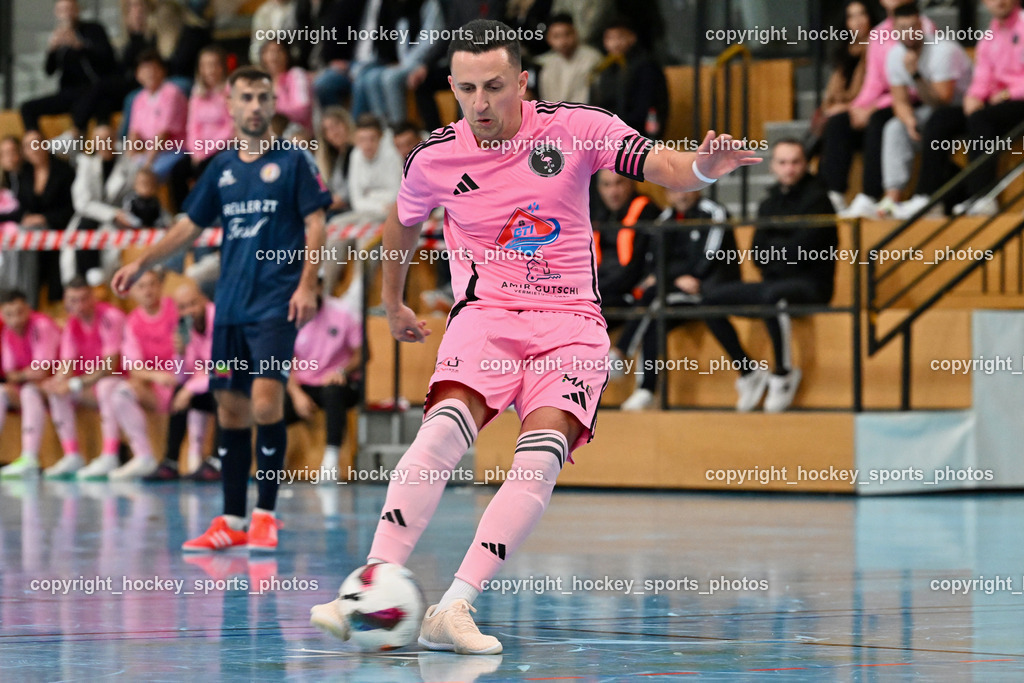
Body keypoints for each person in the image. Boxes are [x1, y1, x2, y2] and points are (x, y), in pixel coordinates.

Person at [308, 18, 759, 655]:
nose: (482, 103)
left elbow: (665, 166)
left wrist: (705, 167)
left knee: (539, 458)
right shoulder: (434, 156)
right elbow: (401, 224)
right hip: (485, 316)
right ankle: (371, 584)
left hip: (571, 326)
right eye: (467, 89)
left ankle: (455, 606)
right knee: (439, 433)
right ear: (453, 88)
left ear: (522, 80)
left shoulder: (577, 128)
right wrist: (391, 300)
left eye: (495, 86)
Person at [112, 66, 330, 551]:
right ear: (228, 106)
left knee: (266, 402)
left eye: (263, 97)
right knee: (230, 411)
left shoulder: (294, 161)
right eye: (246, 98)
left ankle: (266, 516)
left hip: (275, 304)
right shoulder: (222, 167)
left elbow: (316, 224)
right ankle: (231, 520)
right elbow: (188, 226)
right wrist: (143, 261)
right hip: (228, 309)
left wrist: (307, 284)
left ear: (274, 104)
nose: (255, 106)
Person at [702, 139, 837, 413]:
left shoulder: (819, 200)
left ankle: (783, 372)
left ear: (806, 164)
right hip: (773, 282)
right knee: (709, 299)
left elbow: (806, 249)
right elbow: (757, 253)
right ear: (773, 166)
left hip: (812, 285)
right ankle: (748, 370)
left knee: (773, 295)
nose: (789, 169)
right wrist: (782, 250)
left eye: (795, 162)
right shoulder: (768, 204)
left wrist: (777, 250)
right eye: (783, 162)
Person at [608, 189, 738, 411]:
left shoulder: (713, 212)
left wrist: (670, 276)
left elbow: (708, 257)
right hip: (674, 290)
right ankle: (646, 389)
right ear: (667, 193)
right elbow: (654, 263)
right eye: (674, 190)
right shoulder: (665, 220)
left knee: (653, 298)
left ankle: (620, 353)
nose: (681, 195)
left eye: (686, 187)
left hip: (707, 288)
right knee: (653, 319)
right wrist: (672, 277)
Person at [825, 0, 935, 217]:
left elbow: (917, 83)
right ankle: (834, 194)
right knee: (839, 121)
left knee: (878, 120)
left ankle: (870, 196)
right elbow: (873, 82)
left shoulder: (924, 26)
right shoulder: (877, 34)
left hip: (915, 99)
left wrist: (873, 107)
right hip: (885, 99)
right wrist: (856, 108)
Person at [918, 0, 1024, 216]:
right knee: (941, 118)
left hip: (1017, 101)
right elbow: (982, 78)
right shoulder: (988, 38)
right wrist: (973, 97)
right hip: (996, 104)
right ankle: (928, 197)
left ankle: (982, 196)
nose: (1000, 1)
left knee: (982, 119)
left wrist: (1006, 94)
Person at [75, 269, 178, 480]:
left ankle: (194, 460)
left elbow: (196, 353)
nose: (148, 290)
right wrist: (157, 376)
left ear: (160, 286)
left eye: (151, 284)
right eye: (141, 286)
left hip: (185, 380)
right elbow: (134, 368)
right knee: (118, 391)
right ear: (132, 293)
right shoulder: (133, 322)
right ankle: (139, 455)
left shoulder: (175, 310)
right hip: (157, 387)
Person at [878, 1, 972, 219]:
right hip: (932, 111)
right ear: (894, 31)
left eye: (913, 27)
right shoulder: (894, 55)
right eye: (902, 29)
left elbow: (941, 101)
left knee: (936, 120)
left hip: (963, 108)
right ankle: (892, 197)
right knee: (894, 126)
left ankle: (926, 196)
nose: (909, 34)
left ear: (922, 26)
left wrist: (916, 75)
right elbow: (899, 100)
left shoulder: (942, 50)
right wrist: (909, 120)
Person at [39, 277, 126, 479]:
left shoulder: (110, 316)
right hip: (91, 385)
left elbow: (110, 365)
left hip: (119, 381)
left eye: (84, 299)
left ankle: (110, 454)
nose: (79, 306)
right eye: (73, 300)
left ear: (93, 297)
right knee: (56, 391)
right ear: (66, 301)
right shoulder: (71, 324)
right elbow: (66, 365)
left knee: (106, 386)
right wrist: (57, 381)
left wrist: (75, 383)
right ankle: (72, 455)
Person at [284, 281, 363, 479]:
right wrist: (296, 395)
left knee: (333, 393)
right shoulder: (290, 316)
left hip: (336, 381)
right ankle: (273, 461)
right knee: (271, 404)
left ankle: (331, 460)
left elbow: (362, 354)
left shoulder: (343, 312)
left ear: (320, 287)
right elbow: (285, 362)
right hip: (303, 386)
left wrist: (342, 372)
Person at [145, 280, 220, 481]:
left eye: (193, 304)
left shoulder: (221, 321)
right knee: (179, 391)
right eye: (183, 307)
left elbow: (224, 369)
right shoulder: (188, 329)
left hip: (239, 381)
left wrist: (191, 389)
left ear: (205, 300)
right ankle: (171, 462)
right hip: (210, 384)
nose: (189, 311)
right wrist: (179, 354)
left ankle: (217, 461)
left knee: (221, 393)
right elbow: (182, 376)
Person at [19, 0, 118, 136]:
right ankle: (37, 148)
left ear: (77, 10)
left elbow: (107, 59)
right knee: (27, 108)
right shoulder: (58, 35)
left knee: (95, 106)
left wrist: (79, 45)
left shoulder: (93, 29)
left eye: (70, 9)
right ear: (56, 13)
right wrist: (52, 50)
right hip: (67, 92)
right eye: (62, 10)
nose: (66, 14)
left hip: (91, 90)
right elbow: (49, 71)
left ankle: (77, 138)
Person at [0, 290, 62, 478]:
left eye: (20, 312)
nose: (16, 319)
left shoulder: (41, 325)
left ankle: (30, 457)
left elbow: (42, 371)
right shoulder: (7, 334)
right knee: (1, 392)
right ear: (2, 315)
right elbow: (10, 374)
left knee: (29, 390)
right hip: (33, 387)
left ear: (28, 309)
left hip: (57, 388)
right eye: (9, 315)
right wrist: (24, 375)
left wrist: (21, 375)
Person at [806, 1, 875, 160]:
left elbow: (873, 90)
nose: (857, 21)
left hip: (864, 112)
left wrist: (846, 107)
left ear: (870, 17)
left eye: (861, 14)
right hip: (841, 113)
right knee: (828, 125)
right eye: (851, 16)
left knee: (835, 126)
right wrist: (830, 108)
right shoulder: (844, 52)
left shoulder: (877, 47)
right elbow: (832, 92)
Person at [590, 170, 660, 313]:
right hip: (600, 289)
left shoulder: (646, 211)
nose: (613, 192)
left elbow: (634, 271)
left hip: (627, 293)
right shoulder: (598, 215)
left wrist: (594, 290)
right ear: (598, 188)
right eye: (606, 185)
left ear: (631, 183)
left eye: (619, 183)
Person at [589, 17, 669, 139]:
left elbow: (643, 110)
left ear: (632, 38)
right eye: (609, 38)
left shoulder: (646, 66)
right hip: (611, 132)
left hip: (640, 135)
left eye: (620, 37)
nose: (615, 43)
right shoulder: (607, 67)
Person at [126, 51, 188, 183]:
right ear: (137, 75)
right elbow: (134, 132)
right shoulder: (139, 98)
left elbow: (163, 133)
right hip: (150, 153)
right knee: (126, 171)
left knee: (147, 177)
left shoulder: (171, 93)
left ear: (163, 71)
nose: (150, 73)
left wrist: (148, 164)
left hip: (174, 150)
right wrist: (129, 158)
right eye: (145, 70)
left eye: (154, 69)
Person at [536, 13, 602, 104]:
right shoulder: (546, 64)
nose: (563, 41)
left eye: (567, 34)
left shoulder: (592, 58)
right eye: (556, 36)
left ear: (576, 33)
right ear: (548, 39)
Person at [260, 41, 313, 132]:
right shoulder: (260, 82)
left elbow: (303, 109)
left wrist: (274, 110)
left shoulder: (297, 75)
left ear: (287, 55)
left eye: (279, 51)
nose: (274, 56)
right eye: (270, 52)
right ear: (263, 56)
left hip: (296, 131)